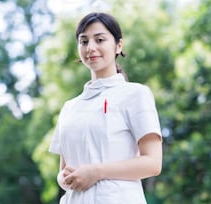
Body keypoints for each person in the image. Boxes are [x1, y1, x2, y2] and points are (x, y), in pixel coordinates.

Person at [49, 12, 162, 204]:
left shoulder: (136, 94)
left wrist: (97, 172)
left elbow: (152, 163)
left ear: (118, 45)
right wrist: (64, 179)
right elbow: (64, 171)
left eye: (99, 39)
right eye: (83, 41)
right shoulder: (70, 107)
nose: (90, 47)